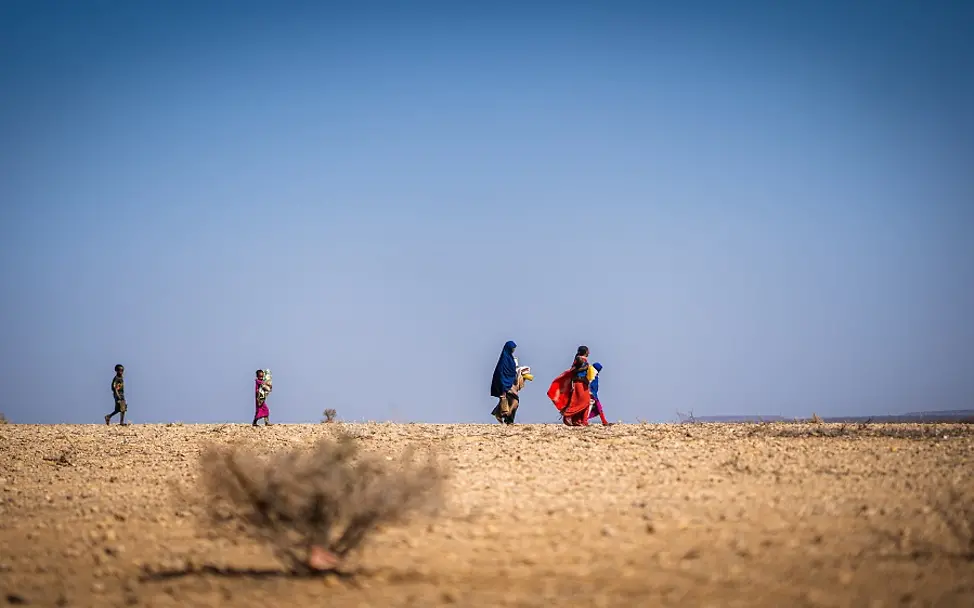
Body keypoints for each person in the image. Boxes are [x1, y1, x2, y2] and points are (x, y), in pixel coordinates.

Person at [547, 346, 596, 426]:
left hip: (583, 382)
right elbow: (574, 370)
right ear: (585, 351)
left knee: (586, 402)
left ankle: (579, 420)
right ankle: (568, 415)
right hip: (579, 382)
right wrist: (585, 367)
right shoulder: (579, 359)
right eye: (588, 351)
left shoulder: (582, 359)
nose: (589, 352)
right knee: (582, 402)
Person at [490, 341, 518, 424]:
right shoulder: (503, 361)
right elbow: (500, 374)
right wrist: (502, 388)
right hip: (504, 385)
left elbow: (512, 371)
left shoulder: (511, 359)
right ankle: (506, 416)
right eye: (512, 349)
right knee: (515, 402)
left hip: (510, 384)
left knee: (511, 402)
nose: (513, 350)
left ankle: (508, 420)